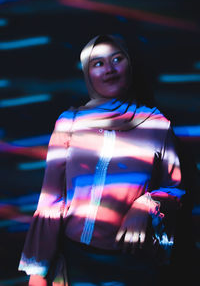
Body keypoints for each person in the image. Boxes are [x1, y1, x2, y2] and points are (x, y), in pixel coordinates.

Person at [18, 34, 186, 286]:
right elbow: (51, 198)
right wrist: (38, 272)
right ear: (88, 73)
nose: (109, 69)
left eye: (117, 59)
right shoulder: (70, 123)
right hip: (78, 262)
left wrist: (147, 204)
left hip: (135, 266)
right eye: (98, 63)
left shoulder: (156, 124)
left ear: (130, 65)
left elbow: (176, 188)